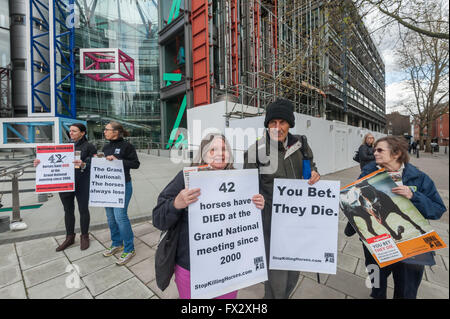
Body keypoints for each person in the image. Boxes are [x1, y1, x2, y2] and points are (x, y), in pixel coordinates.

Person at [152, 134, 265, 299]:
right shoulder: (186, 178)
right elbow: (158, 218)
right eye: (213, 150)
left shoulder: (240, 180)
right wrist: (176, 203)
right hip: (191, 268)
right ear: (203, 154)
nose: (220, 154)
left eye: (224, 149)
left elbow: (248, 222)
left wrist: (258, 205)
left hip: (229, 268)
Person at [346, 135, 446, 299]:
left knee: (406, 290)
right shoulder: (368, 173)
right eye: (374, 149)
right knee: (376, 284)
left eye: (380, 150)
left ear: (396, 153)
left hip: (410, 244)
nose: (374, 152)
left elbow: (438, 209)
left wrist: (414, 195)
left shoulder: (419, 178)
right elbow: (353, 201)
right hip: (377, 243)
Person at [243, 98, 320, 299]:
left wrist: (314, 173)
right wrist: (256, 200)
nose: (277, 127)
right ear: (267, 124)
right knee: (276, 282)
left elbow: (311, 167)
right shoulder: (255, 151)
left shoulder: (302, 145)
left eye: (282, 122)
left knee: (293, 274)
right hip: (271, 225)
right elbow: (247, 190)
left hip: (298, 223)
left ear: (290, 124)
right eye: (272, 122)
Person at [34, 123, 97, 251]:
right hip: (65, 182)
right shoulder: (64, 146)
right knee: (68, 210)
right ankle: (69, 237)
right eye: (70, 131)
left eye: (74, 131)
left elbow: (95, 163)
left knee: (83, 209)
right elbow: (52, 159)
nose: (71, 133)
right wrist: (40, 162)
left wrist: (84, 164)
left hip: (82, 182)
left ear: (83, 133)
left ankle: (84, 236)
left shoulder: (89, 146)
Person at [101, 122, 140, 266]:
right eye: (104, 130)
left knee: (120, 217)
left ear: (116, 132)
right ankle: (117, 243)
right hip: (108, 186)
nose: (104, 131)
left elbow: (136, 164)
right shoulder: (105, 147)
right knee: (110, 217)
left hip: (123, 186)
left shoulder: (127, 146)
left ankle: (129, 248)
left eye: (107, 129)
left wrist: (119, 161)